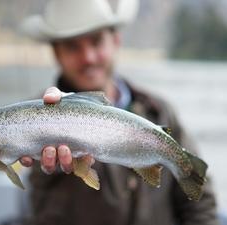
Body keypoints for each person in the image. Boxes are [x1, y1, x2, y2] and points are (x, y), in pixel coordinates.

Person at [18, 0, 218, 224]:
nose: (88, 57)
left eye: (96, 41)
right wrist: (49, 164)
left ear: (115, 40)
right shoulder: (32, 121)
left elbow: (200, 203)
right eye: (72, 46)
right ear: (56, 53)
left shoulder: (159, 111)